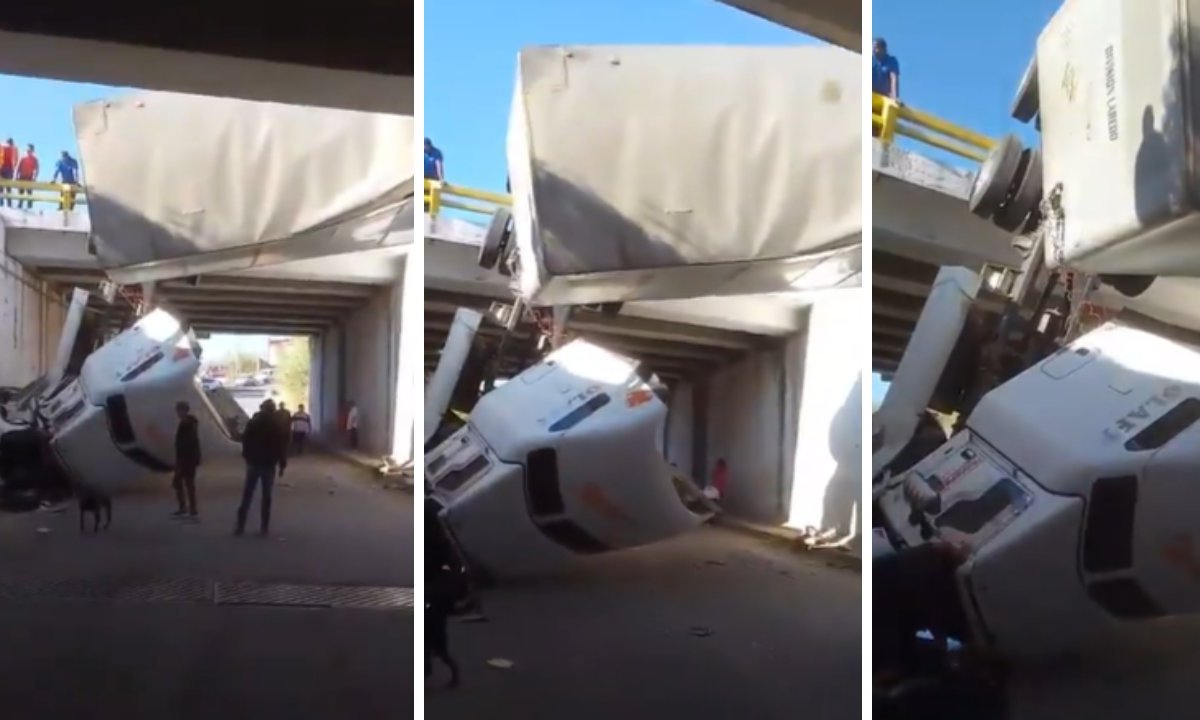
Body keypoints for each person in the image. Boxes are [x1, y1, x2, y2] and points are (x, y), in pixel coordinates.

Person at [235, 399, 285, 536]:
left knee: (247, 495)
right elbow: (281, 446)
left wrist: (247, 457)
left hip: (253, 463)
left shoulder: (253, 422)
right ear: (273, 410)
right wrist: (281, 464)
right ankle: (264, 528)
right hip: (268, 465)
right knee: (266, 497)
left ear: (262, 408)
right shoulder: (276, 425)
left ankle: (240, 526)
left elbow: (245, 440)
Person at [172, 401, 202, 519]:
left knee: (179, 483)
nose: (177, 413)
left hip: (185, 459)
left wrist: (180, 462)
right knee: (188, 484)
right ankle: (191, 508)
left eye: (178, 410)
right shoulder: (190, 423)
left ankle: (185, 507)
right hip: (190, 459)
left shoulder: (186, 424)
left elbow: (185, 444)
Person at [16, 144, 37, 209]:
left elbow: (36, 169)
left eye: (30, 150)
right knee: (21, 192)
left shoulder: (34, 159)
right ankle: (20, 204)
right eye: (28, 150)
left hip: (29, 177)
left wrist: (34, 177)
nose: (29, 151)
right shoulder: (23, 158)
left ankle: (29, 206)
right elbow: (18, 167)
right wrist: (16, 176)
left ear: (32, 151)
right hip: (22, 177)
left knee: (29, 192)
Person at [275, 402, 292, 476]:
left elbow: (289, 423)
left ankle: (280, 466)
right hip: (282, 434)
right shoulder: (286, 412)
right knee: (283, 451)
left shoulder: (277, 413)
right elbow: (289, 424)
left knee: (280, 451)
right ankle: (281, 466)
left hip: (279, 435)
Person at [0, 138, 16, 207]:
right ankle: (9, 204)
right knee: (8, 187)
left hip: (3, 168)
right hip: (9, 169)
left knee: (1, 187)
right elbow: (14, 160)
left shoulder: (3, 147)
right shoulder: (13, 149)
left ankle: (1, 203)